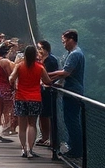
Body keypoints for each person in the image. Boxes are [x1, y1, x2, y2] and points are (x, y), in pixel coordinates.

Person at [9, 45, 53, 158]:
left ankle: (23, 149)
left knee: (22, 126)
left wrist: (14, 84)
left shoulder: (19, 66)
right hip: (35, 98)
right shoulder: (40, 67)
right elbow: (47, 80)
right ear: (35, 55)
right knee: (32, 124)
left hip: (21, 98)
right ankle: (30, 149)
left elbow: (11, 78)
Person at [49, 29, 85, 157]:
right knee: (69, 120)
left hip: (73, 91)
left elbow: (66, 72)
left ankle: (76, 150)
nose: (63, 44)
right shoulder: (73, 53)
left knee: (72, 120)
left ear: (71, 39)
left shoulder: (75, 54)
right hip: (70, 90)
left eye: (64, 41)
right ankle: (72, 146)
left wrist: (46, 75)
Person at [36, 40, 59, 148]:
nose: (38, 50)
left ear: (45, 49)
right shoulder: (40, 60)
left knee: (48, 114)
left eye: (40, 48)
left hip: (48, 90)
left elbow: (51, 77)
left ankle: (51, 138)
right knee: (42, 114)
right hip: (40, 90)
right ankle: (44, 137)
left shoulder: (51, 60)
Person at [0, 42, 16, 141]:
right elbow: (10, 76)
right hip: (5, 88)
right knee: (7, 110)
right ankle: (7, 128)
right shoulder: (5, 61)